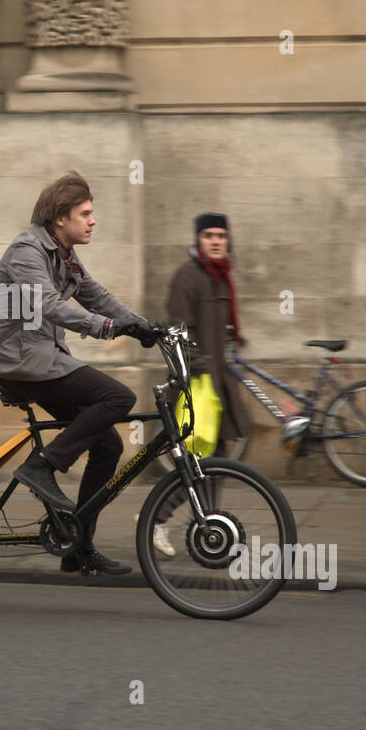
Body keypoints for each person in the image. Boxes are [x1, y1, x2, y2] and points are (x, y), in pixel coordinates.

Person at [0, 171, 157, 575]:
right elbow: (51, 305)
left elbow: (93, 293)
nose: (93, 220)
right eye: (86, 213)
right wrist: (107, 329)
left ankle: (78, 547)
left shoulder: (61, 253)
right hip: (23, 362)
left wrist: (142, 325)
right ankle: (42, 465)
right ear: (60, 217)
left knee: (109, 447)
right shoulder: (26, 252)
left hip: (44, 358)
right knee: (118, 397)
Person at [153, 212, 253, 557]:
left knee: (217, 458)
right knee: (200, 460)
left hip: (217, 381)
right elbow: (177, 331)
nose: (215, 241)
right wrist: (202, 366)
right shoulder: (188, 277)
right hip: (197, 383)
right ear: (198, 240)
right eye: (209, 235)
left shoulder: (221, 277)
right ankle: (158, 519)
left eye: (221, 236)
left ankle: (208, 528)